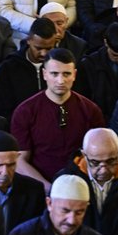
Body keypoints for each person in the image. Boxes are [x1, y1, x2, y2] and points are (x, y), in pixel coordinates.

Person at [11, 49, 105, 189]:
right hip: (39, 190)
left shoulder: (91, 110)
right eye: (54, 74)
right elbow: (19, 161)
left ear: (74, 75)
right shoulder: (25, 111)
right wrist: (48, 188)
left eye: (66, 74)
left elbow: (99, 157)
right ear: (44, 74)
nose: (60, 81)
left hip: (82, 187)